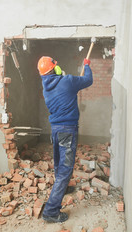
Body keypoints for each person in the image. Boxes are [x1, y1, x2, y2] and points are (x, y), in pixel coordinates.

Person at [37, 56, 93, 223]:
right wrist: (87, 65)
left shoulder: (46, 87)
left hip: (55, 131)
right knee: (65, 170)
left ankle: (64, 188)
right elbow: (88, 80)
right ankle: (51, 211)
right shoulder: (67, 81)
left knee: (59, 163)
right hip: (68, 131)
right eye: (56, 65)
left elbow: (63, 86)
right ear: (55, 69)